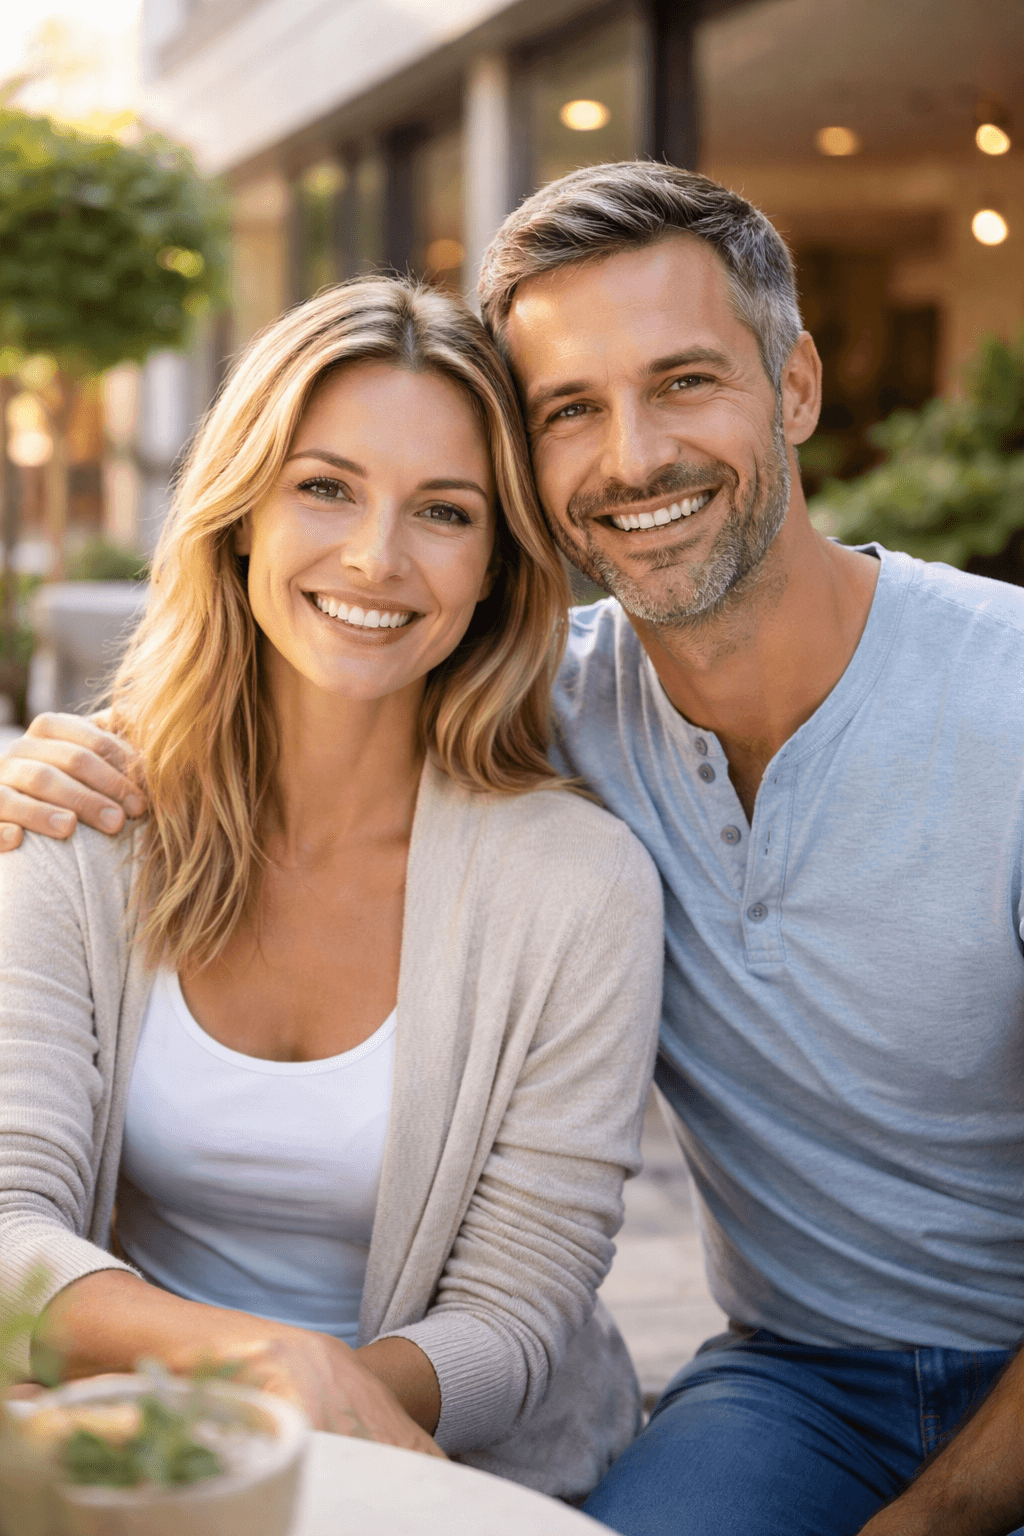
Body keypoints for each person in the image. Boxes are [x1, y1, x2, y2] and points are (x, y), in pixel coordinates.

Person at [3, 162, 1023, 1536]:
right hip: (804, 1377)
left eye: (685, 383)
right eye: (569, 412)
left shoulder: (995, 707)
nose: (632, 456)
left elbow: (517, 1306)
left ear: (794, 387)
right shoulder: (560, 712)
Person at [0, 275, 664, 1504]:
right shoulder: (80, 823)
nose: (377, 556)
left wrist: (309, 1419)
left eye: (445, 512)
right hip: (123, 1454)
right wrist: (255, 1374)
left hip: (446, 1470)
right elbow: (6, 1229)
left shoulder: (578, 887)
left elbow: (516, 1321)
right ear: (242, 511)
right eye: (325, 486)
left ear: (497, 568)